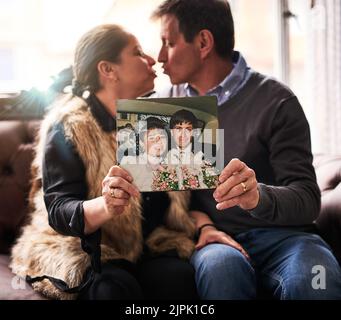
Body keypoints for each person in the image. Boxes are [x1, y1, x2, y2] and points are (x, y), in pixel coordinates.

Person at [152, 0, 341, 299]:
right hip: (216, 241)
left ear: (203, 42)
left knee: (316, 277)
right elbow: (164, 203)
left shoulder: (277, 101)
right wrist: (204, 228)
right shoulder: (161, 108)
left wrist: (257, 197)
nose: (160, 56)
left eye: (169, 43)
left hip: (287, 238)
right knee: (221, 271)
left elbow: (308, 199)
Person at [10, 24, 198, 300]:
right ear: (108, 70)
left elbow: (181, 198)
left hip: (149, 243)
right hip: (81, 245)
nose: (152, 60)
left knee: (180, 280)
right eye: (137, 52)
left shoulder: (161, 119)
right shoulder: (71, 125)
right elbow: (60, 211)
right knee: (113, 289)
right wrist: (107, 204)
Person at [121, 116, 169, 191]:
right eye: (152, 138)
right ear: (142, 143)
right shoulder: (129, 164)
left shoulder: (173, 163)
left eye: (162, 136)